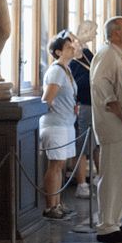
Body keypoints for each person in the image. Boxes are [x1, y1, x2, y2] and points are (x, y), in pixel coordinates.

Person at [90, 17, 122, 243]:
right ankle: (106, 226)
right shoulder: (107, 54)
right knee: (111, 176)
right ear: (115, 33)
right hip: (113, 124)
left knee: (121, 175)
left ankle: (116, 221)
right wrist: (117, 108)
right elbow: (100, 83)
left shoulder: (117, 54)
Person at [40, 32, 78, 220]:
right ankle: (51, 207)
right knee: (55, 165)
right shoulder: (56, 71)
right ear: (58, 52)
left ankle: (58, 203)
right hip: (55, 124)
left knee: (60, 165)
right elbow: (47, 99)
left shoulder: (66, 70)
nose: (73, 49)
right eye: (68, 47)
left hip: (66, 123)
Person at [70, 21, 97, 199]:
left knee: (96, 145)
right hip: (83, 104)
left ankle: (98, 177)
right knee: (82, 146)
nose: (95, 35)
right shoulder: (73, 55)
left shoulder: (87, 52)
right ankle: (81, 183)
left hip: (95, 104)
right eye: (93, 31)